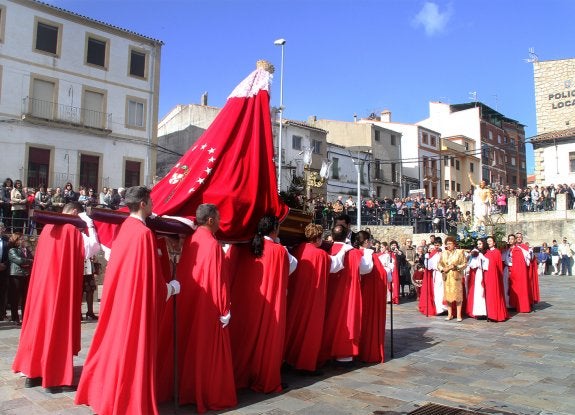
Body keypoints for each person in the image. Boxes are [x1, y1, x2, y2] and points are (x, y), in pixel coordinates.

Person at [75, 186, 180, 415]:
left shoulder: (124, 229)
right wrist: (170, 288)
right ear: (143, 204)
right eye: (150, 201)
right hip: (136, 306)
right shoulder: (143, 234)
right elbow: (150, 280)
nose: (153, 205)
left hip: (121, 303)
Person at [157, 203, 237, 413]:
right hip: (207, 306)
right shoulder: (212, 245)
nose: (220, 222)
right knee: (203, 351)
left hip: (188, 300)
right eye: (218, 218)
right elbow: (219, 280)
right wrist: (224, 308)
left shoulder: (192, 241)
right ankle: (201, 391)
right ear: (210, 220)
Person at [12, 202, 100, 390]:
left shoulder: (46, 229)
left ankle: (33, 375)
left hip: (41, 289)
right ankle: (56, 377)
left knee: (40, 327)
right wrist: (89, 225)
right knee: (58, 328)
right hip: (61, 289)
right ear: (76, 213)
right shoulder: (71, 230)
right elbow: (92, 248)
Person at [226, 215, 297, 393]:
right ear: (274, 230)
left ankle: (238, 376)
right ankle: (262, 376)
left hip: (245, 302)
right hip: (268, 304)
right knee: (265, 342)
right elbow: (293, 266)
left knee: (244, 339)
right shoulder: (279, 250)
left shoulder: (242, 246)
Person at [284, 224, 350, 373]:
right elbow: (336, 265)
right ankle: (305, 364)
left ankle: (288, 358)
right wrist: (344, 250)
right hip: (312, 297)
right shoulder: (319, 254)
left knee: (294, 326)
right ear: (318, 238)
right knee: (310, 329)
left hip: (296, 295)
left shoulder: (297, 249)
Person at [320, 224, 373, 366]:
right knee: (345, 321)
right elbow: (366, 268)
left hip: (328, 291)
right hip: (346, 292)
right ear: (347, 236)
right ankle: (343, 355)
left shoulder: (326, 249)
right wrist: (367, 252)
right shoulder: (353, 252)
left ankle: (324, 352)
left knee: (327, 319)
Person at [355, 231, 387, 364]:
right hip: (370, 293)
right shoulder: (370, 255)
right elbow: (382, 274)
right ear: (367, 241)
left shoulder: (353, 253)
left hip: (357, 292)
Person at [437, 236, 467, 322]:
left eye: (450, 244)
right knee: (448, 296)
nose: (448, 245)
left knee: (458, 296)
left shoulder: (460, 252)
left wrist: (456, 266)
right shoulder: (443, 253)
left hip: (456, 276)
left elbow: (464, 264)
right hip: (447, 277)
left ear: (454, 244)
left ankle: (458, 315)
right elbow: (439, 264)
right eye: (447, 244)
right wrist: (443, 269)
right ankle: (450, 314)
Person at [7, 233, 33, 324]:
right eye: (21, 239)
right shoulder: (12, 250)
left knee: (26, 297)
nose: (23, 240)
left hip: (26, 275)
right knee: (15, 298)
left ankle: (25, 317)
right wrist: (28, 261)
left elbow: (33, 260)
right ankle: (15, 318)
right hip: (16, 276)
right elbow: (19, 260)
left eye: (23, 239)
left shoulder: (27, 250)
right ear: (16, 240)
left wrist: (27, 262)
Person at [483, 236, 509, 322]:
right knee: (489, 296)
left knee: (494, 295)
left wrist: (498, 276)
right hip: (486, 276)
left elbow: (499, 266)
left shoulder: (497, 252)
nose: (489, 242)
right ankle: (490, 314)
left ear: (494, 243)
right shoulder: (485, 253)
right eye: (487, 241)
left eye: (490, 241)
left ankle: (496, 315)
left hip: (494, 277)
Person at [418, 237, 446, 316]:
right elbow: (429, 265)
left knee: (443, 290)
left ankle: (445, 308)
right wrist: (426, 258)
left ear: (441, 244)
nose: (437, 246)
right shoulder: (433, 253)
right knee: (437, 291)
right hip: (436, 274)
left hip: (443, 273)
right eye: (435, 245)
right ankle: (439, 308)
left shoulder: (444, 252)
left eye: (438, 245)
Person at [506, 234, 532, 313]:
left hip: (516, 271)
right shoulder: (508, 249)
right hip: (510, 271)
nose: (510, 240)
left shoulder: (518, 250)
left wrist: (511, 265)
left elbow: (520, 262)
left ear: (515, 240)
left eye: (512, 239)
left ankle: (520, 306)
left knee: (518, 288)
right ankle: (513, 304)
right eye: (509, 239)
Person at [466, 240, 488, 319]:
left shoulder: (486, 253)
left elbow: (487, 263)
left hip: (485, 274)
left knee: (483, 292)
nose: (479, 245)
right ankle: (479, 311)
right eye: (478, 244)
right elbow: (472, 265)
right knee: (478, 292)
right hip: (478, 274)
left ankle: (485, 311)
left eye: (480, 244)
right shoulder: (476, 254)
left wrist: (483, 258)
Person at [0, 222, 9, 320]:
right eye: (0, 227)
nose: (2, 229)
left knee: (3, 292)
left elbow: (9, 254)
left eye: (3, 227)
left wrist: (5, 264)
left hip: (3, 270)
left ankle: (2, 314)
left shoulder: (6, 240)